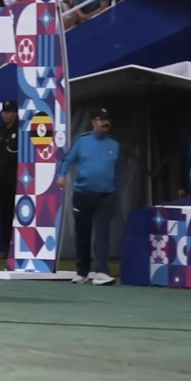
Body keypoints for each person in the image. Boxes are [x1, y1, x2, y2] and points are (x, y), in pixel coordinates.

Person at [56, 108, 119, 286]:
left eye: (108, 120)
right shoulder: (82, 141)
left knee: (102, 233)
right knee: (82, 233)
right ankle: (82, 271)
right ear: (93, 122)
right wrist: (62, 176)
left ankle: (101, 271)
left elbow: (117, 171)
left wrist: (115, 191)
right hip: (83, 194)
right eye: (101, 120)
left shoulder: (114, 144)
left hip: (106, 195)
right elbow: (68, 159)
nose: (105, 123)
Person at [0, 100, 19, 256]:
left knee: (18, 212)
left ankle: (19, 246)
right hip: (2, 178)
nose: (6, 115)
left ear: (15, 113)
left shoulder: (21, 130)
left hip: (17, 179)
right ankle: (7, 247)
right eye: (4, 112)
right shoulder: (1, 131)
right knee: (5, 213)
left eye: (9, 112)